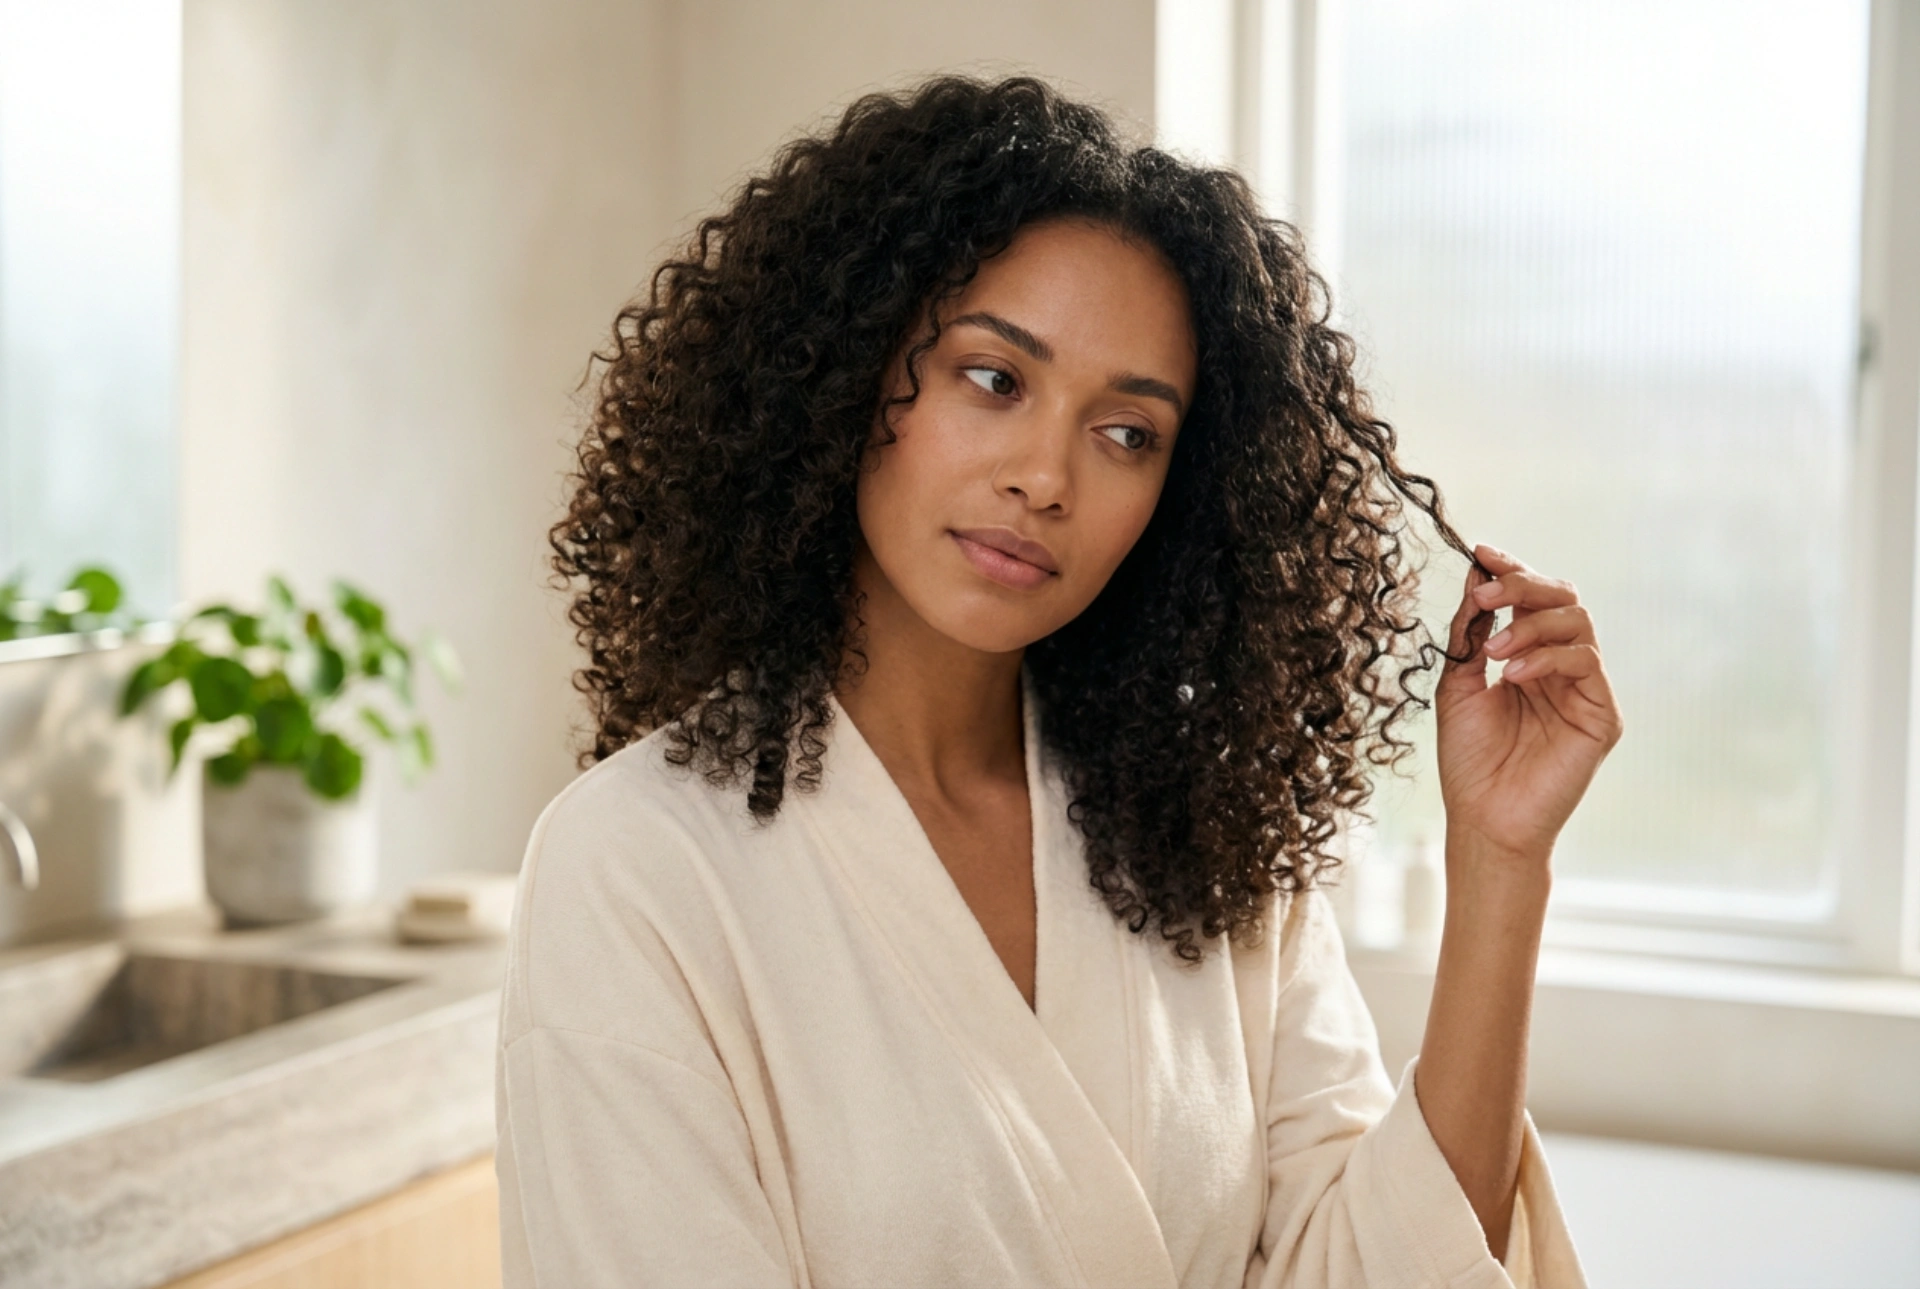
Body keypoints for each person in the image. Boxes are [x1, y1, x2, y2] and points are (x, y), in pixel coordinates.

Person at [496, 74, 1620, 1289]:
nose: (1047, 477)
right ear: (851, 367)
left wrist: (1501, 863)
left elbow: (1381, 1272)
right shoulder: (637, 867)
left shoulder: (1201, 841)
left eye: (1127, 432)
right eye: (996, 377)